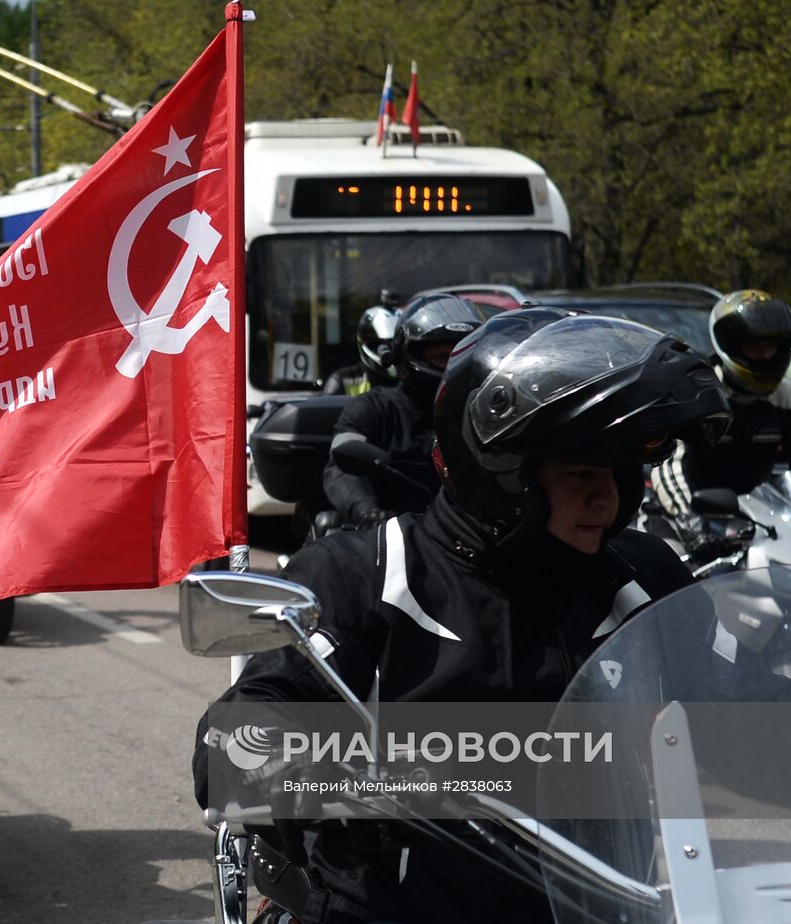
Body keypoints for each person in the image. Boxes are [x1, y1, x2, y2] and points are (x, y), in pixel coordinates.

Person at [193, 309, 734, 923]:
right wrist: (315, 766)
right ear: (502, 471)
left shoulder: (639, 577)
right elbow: (232, 746)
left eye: (618, 473)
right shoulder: (368, 574)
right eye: (580, 472)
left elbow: (743, 704)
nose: (606, 497)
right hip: (386, 912)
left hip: (600, 907)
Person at [649, 289, 791, 561]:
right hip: (682, 516)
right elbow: (668, 467)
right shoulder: (698, 393)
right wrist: (691, 522)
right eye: (755, 346)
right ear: (731, 345)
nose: (766, 355)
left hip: (755, 522)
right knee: (670, 575)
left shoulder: (789, 398)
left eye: (772, 346)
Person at [320, 294, 483, 527]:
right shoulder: (373, 409)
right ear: (410, 355)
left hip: (464, 536)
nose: (452, 367)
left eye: (462, 356)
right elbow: (341, 470)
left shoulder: (482, 414)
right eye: (441, 357)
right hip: (388, 539)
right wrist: (369, 513)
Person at [321, 304, 397, 397]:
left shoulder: (413, 379)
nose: (390, 349)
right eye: (384, 343)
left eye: (395, 343)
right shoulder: (343, 380)